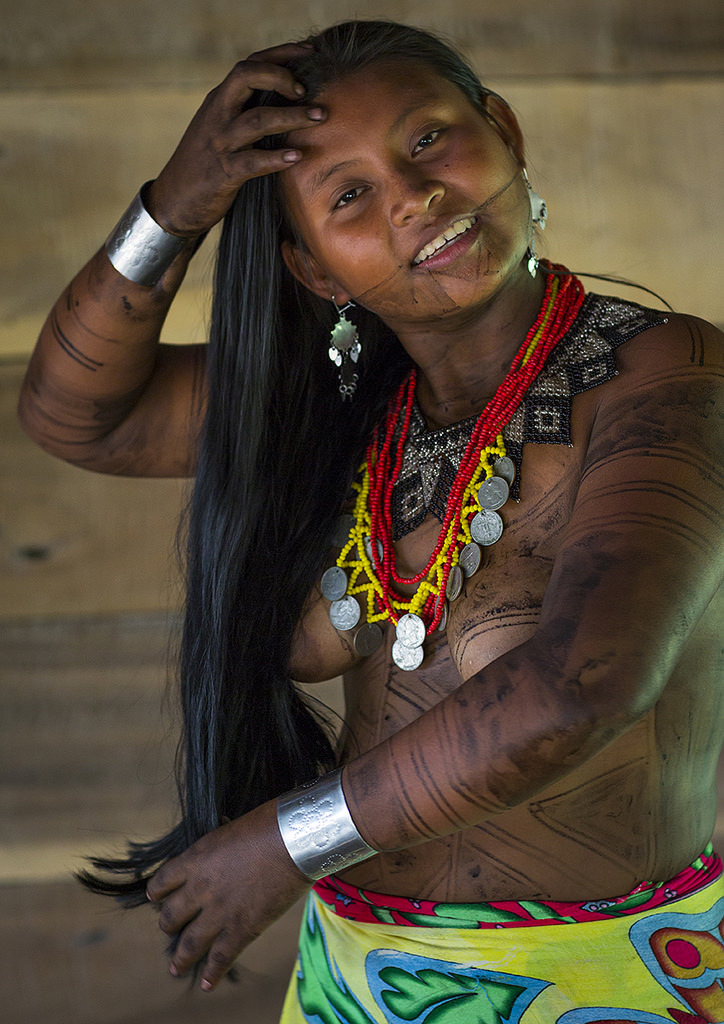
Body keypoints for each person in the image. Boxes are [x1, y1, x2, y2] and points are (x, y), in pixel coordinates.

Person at [18, 19, 724, 1023]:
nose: (412, 195)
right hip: (352, 977)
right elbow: (75, 414)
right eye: (348, 196)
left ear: (504, 129)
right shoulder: (342, 412)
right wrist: (171, 211)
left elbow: (583, 681)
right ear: (316, 271)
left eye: (428, 140)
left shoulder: (664, 375)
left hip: (607, 980)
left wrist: (281, 843)